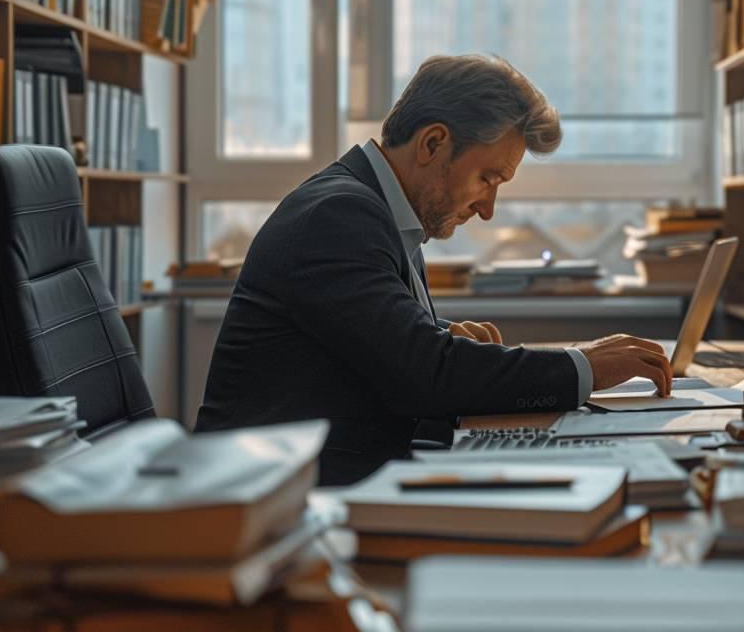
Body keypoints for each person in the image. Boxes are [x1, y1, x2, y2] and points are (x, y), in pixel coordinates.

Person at [195, 55, 672, 484]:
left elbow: (368, 347)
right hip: (281, 502)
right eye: (488, 178)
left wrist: (437, 334)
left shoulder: (379, 210)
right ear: (433, 143)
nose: (488, 208)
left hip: (316, 479)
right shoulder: (339, 216)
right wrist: (583, 366)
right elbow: (423, 377)